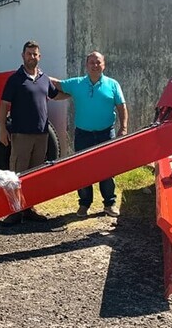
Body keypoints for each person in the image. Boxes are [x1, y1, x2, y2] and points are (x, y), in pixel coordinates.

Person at [55, 51, 128, 218]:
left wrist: (123, 128)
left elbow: (122, 107)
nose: (95, 65)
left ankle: (109, 204)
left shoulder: (113, 84)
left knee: (107, 169)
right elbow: (57, 84)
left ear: (104, 65)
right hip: (83, 135)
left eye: (98, 62)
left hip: (106, 134)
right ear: (86, 66)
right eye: (92, 63)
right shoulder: (77, 83)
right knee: (82, 170)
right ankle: (84, 204)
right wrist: (38, 75)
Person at [0, 40, 61, 225]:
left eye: (35, 54)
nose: (32, 57)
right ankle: (15, 211)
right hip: (21, 136)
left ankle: (30, 209)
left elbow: (56, 95)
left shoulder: (44, 78)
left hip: (41, 136)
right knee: (17, 174)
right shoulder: (15, 79)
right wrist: (2, 129)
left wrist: (77, 94)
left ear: (39, 57)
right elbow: (3, 105)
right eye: (29, 54)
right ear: (23, 56)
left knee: (35, 175)